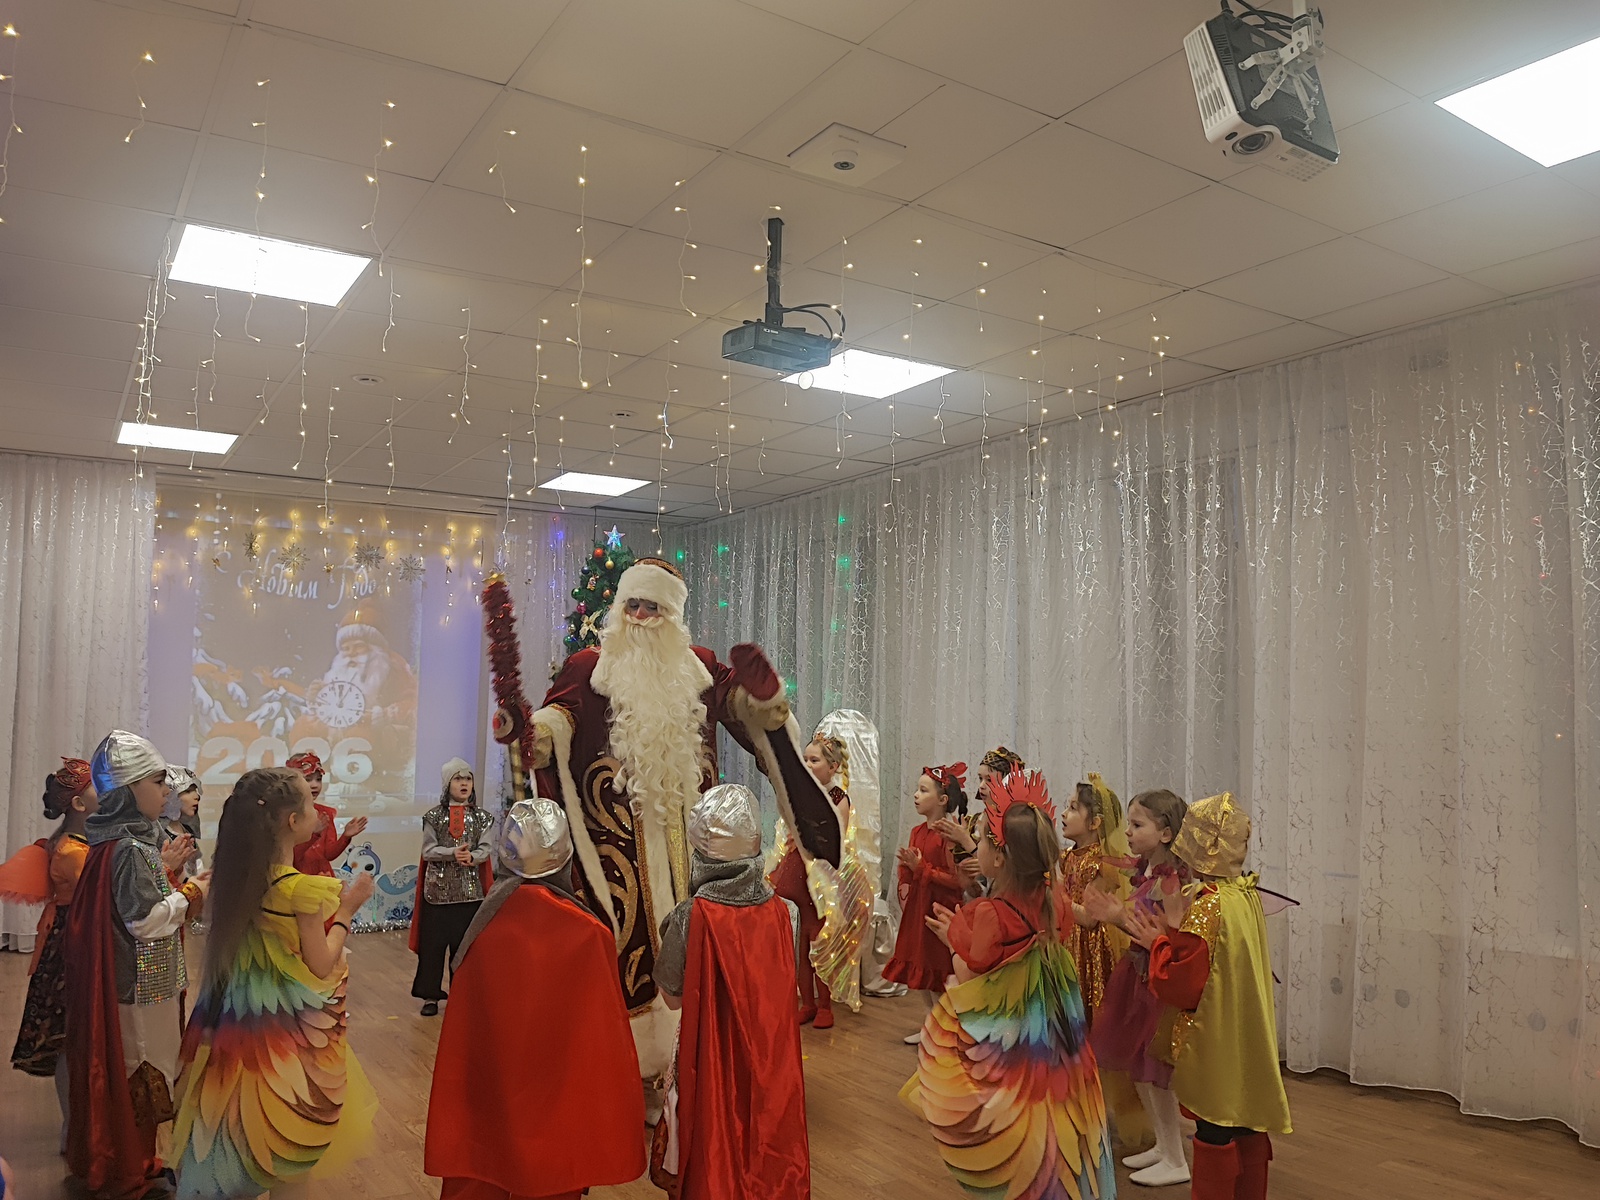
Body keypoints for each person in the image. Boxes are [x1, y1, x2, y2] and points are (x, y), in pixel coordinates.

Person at [522, 557, 839, 1099]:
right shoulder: (589, 668)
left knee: (696, 947)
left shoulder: (699, 669)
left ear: (672, 616)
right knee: (622, 946)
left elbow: (746, 710)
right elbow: (558, 720)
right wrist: (538, 734)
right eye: (632, 604)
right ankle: (624, 1070)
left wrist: (766, 699)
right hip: (616, 848)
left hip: (694, 844)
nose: (641, 616)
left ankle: (691, 1063)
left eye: (653, 607)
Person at [905, 770, 1115, 1199]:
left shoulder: (990, 912)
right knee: (1051, 1105)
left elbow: (976, 972)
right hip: (1051, 1030)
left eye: (981, 841)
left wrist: (954, 942)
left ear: (1000, 859)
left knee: (1009, 1109)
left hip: (1010, 1033)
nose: (976, 847)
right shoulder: (1056, 901)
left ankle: (1025, 1176)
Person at [171, 767, 378, 1200]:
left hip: (234, 1027)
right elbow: (320, 964)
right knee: (288, 1145)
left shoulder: (236, 878)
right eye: (311, 804)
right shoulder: (300, 890)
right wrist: (347, 909)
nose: (319, 812)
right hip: (284, 1035)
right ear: (293, 821)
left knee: (238, 1131)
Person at [425, 798, 645, 1200]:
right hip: (558, 1093)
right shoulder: (590, 933)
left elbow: (468, 1035)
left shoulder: (481, 930)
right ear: (566, 856)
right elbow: (601, 1039)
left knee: (483, 1159)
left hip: (493, 1087)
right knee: (553, 1167)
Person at [64, 731, 210, 1200]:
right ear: (128, 789)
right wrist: (194, 892)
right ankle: (128, 1169)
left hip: (147, 981)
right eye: (156, 781)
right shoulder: (128, 848)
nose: (167, 790)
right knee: (140, 1075)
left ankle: (141, 1161)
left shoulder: (126, 843)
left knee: (149, 1076)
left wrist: (171, 879)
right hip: (137, 986)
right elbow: (145, 921)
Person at [1127, 792, 1291, 1200]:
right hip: (1245, 1036)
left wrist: (1158, 943)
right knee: (1248, 1124)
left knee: (1215, 1128)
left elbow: (1182, 984)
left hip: (1215, 1040)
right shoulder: (1245, 895)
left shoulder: (1207, 906)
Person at [650, 786, 808, 1200]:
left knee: (713, 1142)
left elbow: (672, 997)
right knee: (768, 1148)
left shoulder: (690, 916)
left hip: (711, 1059)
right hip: (771, 1062)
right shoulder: (786, 913)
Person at [1084, 787, 1193, 1186]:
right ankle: (1164, 1146)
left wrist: (1117, 915)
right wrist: (1116, 914)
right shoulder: (1148, 874)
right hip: (1137, 977)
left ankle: (1176, 1157)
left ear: (1165, 833)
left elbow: (1171, 936)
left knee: (1155, 1071)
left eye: (1137, 824)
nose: (1127, 832)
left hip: (1156, 984)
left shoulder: (1172, 882)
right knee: (1141, 1072)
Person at [4, 759, 97, 1148]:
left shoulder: (79, 844)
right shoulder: (74, 851)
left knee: (74, 1036)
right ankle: (73, 1124)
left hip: (75, 938)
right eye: (98, 787)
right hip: (72, 944)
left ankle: (78, 1123)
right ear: (79, 804)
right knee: (68, 1037)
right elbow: (102, 893)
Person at [769, 733, 863, 1028]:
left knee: (819, 942)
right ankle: (807, 1002)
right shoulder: (799, 796)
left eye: (815, 760)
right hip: (797, 874)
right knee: (799, 944)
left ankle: (824, 1005)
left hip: (821, 879)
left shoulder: (839, 799)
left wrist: (805, 841)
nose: (808, 765)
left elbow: (834, 838)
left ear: (833, 767)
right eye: (805, 760)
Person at [883, 763, 968, 1043]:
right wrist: (906, 875)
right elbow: (910, 869)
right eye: (917, 790)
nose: (916, 795)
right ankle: (932, 1026)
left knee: (939, 972)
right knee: (921, 968)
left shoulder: (949, 835)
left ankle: (946, 1029)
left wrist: (922, 869)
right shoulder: (917, 831)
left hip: (940, 911)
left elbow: (957, 881)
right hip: (919, 908)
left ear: (942, 800)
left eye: (923, 790)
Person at [408, 759, 492, 1016]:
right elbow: (428, 850)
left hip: (470, 894)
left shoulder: (483, 818)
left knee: (464, 949)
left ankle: (461, 994)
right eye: (458, 779)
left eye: (468, 779)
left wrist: (473, 857)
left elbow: (486, 849)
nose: (464, 783)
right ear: (447, 784)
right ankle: (430, 997)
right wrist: (452, 853)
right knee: (432, 949)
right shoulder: (433, 817)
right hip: (437, 893)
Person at [1059, 772, 1132, 1024]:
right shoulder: (1067, 856)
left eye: (1073, 808)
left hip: (1090, 948)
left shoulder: (1103, 863)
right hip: (1068, 940)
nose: (1063, 814)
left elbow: (1090, 918)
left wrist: (1058, 898)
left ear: (1095, 822)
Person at [286, 751, 368, 878]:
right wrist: (313, 834)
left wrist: (345, 836)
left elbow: (329, 854)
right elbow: (293, 857)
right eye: (308, 779)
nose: (315, 785)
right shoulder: (286, 815)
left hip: (323, 877)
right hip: (298, 879)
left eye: (318, 779)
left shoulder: (325, 814)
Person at [157, 768, 204, 883]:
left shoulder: (187, 831)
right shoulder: (157, 834)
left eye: (195, 791)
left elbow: (195, 867)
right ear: (171, 795)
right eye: (188, 791)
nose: (196, 796)